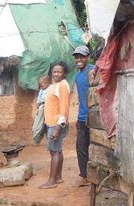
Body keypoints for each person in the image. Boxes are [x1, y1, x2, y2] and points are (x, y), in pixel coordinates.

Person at [39, 62, 70, 189]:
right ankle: (58, 177)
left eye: (59, 72)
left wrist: (58, 128)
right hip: (52, 123)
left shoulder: (62, 86)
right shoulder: (55, 85)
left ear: (64, 73)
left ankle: (51, 181)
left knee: (54, 152)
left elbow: (64, 108)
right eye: (54, 71)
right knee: (58, 150)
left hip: (56, 124)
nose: (56, 73)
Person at [72, 45, 95, 187]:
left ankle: (90, 176)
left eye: (82, 56)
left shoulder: (92, 71)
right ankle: (85, 175)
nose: (79, 59)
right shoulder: (78, 74)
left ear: (88, 57)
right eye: (77, 57)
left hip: (92, 117)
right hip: (82, 117)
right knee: (81, 147)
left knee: (93, 146)